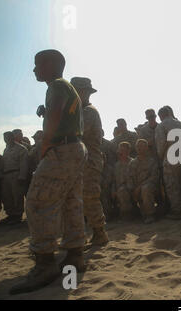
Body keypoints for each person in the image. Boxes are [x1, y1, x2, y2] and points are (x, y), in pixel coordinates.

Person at [10, 49, 87, 295]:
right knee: (70, 202)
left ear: (52, 64)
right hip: (75, 147)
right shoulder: (67, 86)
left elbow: (55, 110)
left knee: (38, 202)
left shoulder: (55, 85)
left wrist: (45, 143)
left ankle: (44, 264)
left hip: (62, 148)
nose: (34, 70)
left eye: (37, 65)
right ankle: (75, 256)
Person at [71, 77, 108, 246]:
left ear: (84, 92)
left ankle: (99, 233)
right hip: (79, 161)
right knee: (78, 199)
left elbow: (76, 133)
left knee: (90, 197)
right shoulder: (77, 110)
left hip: (89, 162)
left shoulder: (88, 111)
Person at [155, 106, 181, 220]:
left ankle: (178, 211)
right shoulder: (180, 124)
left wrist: (161, 157)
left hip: (170, 158)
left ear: (160, 115)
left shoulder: (161, 126)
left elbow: (161, 146)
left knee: (172, 185)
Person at [127, 139, 160, 224]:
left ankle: (150, 215)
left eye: (141, 146)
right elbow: (129, 178)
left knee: (146, 188)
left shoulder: (152, 162)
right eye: (137, 146)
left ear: (147, 148)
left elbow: (154, 178)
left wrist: (140, 187)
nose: (139, 148)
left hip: (150, 187)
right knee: (123, 190)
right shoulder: (132, 163)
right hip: (136, 189)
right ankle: (128, 213)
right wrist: (132, 189)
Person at [0, 131, 28, 225]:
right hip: (6, 175)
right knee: (7, 196)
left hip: (16, 174)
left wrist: (22, 177)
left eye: (8, 137)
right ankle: (10, 215)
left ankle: (17, 216)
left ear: (12, 137)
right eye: (5, 138)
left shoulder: (21, 149)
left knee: (17, 196)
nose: (6, 140)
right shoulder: (6, 149)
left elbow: (24, 164)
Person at [112, 142, 134, 221]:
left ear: (128, 151)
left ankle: (127, 214)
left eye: (123, 150)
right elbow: (114, 180)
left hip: (131, 188)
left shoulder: (133, 163)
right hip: (119, 188)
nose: (120, 152)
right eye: (120, 150)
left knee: (122, 191)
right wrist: (113, 190)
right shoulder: (116, 165)